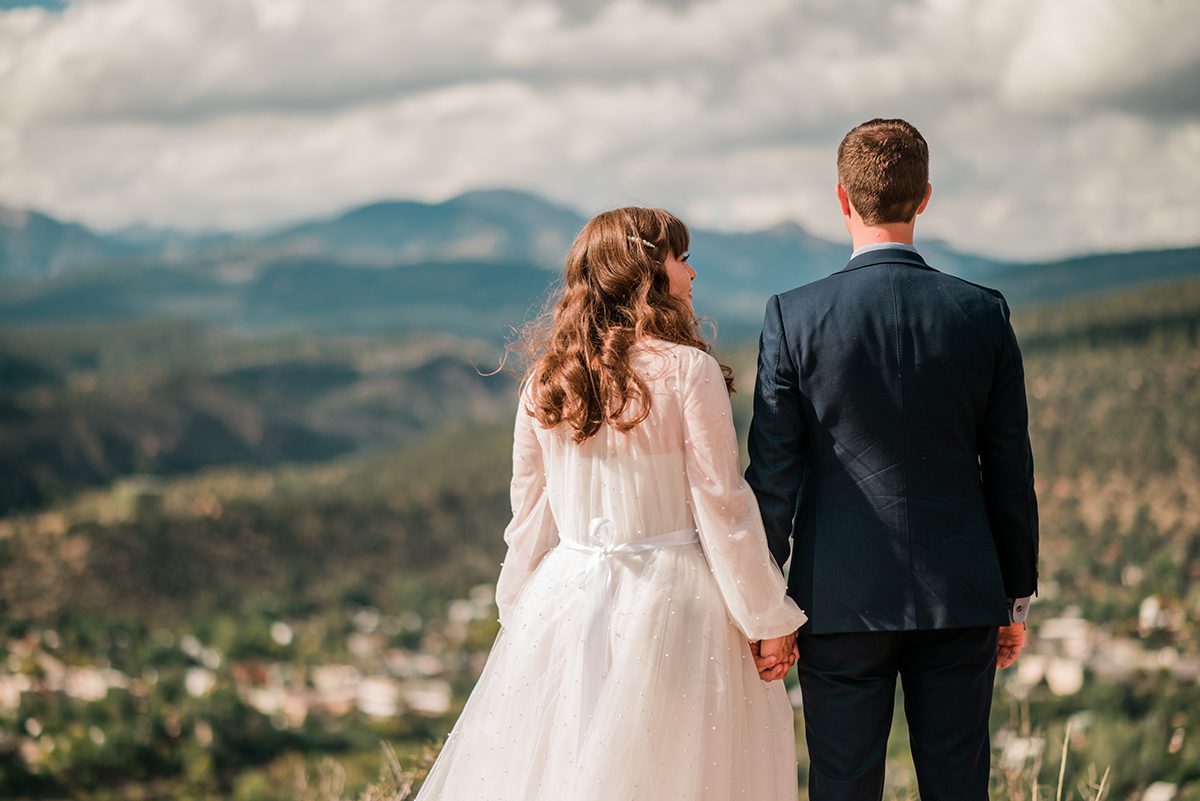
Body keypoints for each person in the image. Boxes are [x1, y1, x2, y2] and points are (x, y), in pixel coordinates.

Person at [415, 207, 807, 801]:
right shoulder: (687, 371)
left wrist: (519, 615)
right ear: (647, 271)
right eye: (680, 258)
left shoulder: (548, 379)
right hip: (675, 601)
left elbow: (528, 518)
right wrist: (766, 617)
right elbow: (722, 505)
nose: (692, 273)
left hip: (564, 597)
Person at [745, 118, 1039, 801]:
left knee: (842, 788)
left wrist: (766, 606)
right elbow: (1009, 468)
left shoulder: (794, 315)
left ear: (842, 199)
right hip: (961, 595)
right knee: (957, 785)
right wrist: (1013, 594)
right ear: (925, 197)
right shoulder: (982, 313)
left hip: (838, 600)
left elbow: (774, 476)